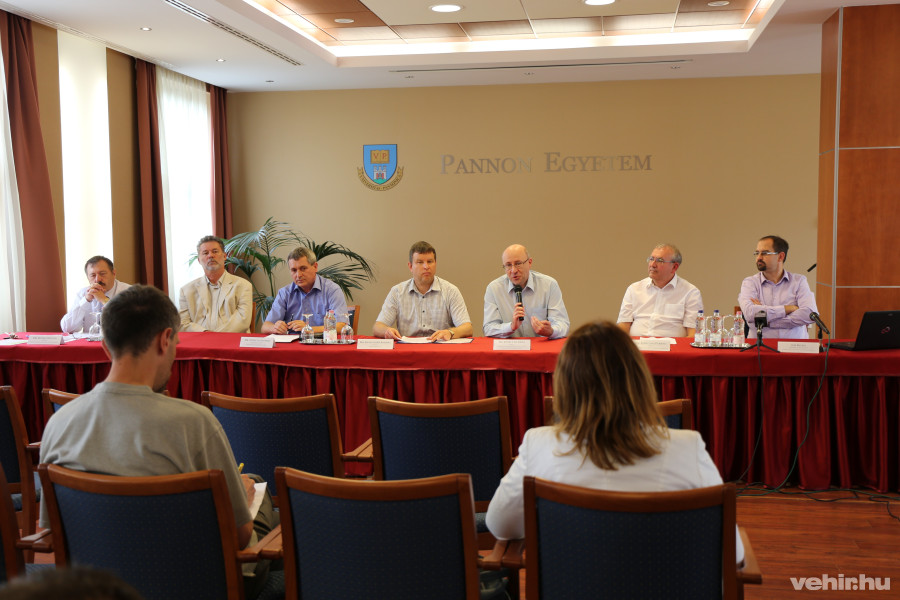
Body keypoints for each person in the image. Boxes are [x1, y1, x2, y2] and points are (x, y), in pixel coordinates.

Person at [39, 285, 277, 598]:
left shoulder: (58, 423)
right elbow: (239, 536)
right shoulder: (195, 422)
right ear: (165, 340)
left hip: (97, 586)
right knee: (258, 493)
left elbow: (51, 533)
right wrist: (242, 500)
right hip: (199, 585)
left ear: (105, 347)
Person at [485, 320, 744, 564]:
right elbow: (734, 553)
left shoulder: (538, 445)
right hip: (665, 585)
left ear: (564, 384)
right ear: (639, 379)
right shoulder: (688, 447)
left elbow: (499, 525)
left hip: (571, 586)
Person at [373, 241, 473, 341]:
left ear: (435, 264)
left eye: (430, 261)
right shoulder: (397, 292)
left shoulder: (450, 291)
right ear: (410, 266)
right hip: (408, 348)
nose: (426, 266)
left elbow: (467, 328)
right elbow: (378, 327)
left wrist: (450, 332)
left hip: (440, 347)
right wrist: (387, 330)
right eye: (420, 262)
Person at [483, 244, 569, 339]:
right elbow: (488, 328)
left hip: (540, 345)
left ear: (529, 263)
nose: (513, 270)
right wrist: (511, 326)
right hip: (509, 346)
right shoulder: (494, 288)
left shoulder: (549, 285)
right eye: (508, 265)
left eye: (518, 263)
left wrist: (551, 331)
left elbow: (562, 324)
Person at [616, 243, 703, 338]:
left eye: (659, 261)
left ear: (674, 267)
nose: (652, 264)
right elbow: (623, 325)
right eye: (651, 259)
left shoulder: (690, 292)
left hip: (672, 346)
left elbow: (694, 333)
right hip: (637, 346)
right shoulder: (634, 289)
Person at [738, 235, 816, 339]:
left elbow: (810, 314)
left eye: (764, 253)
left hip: (794, 346)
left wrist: (767, 320)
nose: (759, 257)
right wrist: (787, 309)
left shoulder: (799, 281)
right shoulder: (750, 283)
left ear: (780, 257)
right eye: (757, 253)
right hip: (760, 346)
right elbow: (749, 313)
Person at [260, 246, 348, 334]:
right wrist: (275, 328)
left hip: (322, 341)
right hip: (292, 342)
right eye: (294, 270)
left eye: (303, 268)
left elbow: (342, 326)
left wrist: (308, 329)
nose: (298, 275)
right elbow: (265, 327)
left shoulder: (332, 290)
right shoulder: (284, 293)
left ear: (315, 267)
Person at [178, 235, 252, 332]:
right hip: (200, 339)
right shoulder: (186, 290)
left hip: (233, 339)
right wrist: (206, 334)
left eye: (215, 251)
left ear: (225, 256)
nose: (210, 256)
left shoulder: (243, 285)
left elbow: (242, 321)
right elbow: (183, 323)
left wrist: (215, 337)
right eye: (205, 253)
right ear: (199, 260)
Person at [60, 256, 131, 333]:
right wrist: (86, 300)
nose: (97, 279)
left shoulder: (129, 292)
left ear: (113, 273)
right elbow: (67, 328)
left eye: (102, 274)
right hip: (90, 340)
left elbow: (128, 325)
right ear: (88, 277)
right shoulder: (83, 293)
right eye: (93, 275)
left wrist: (104, 300)